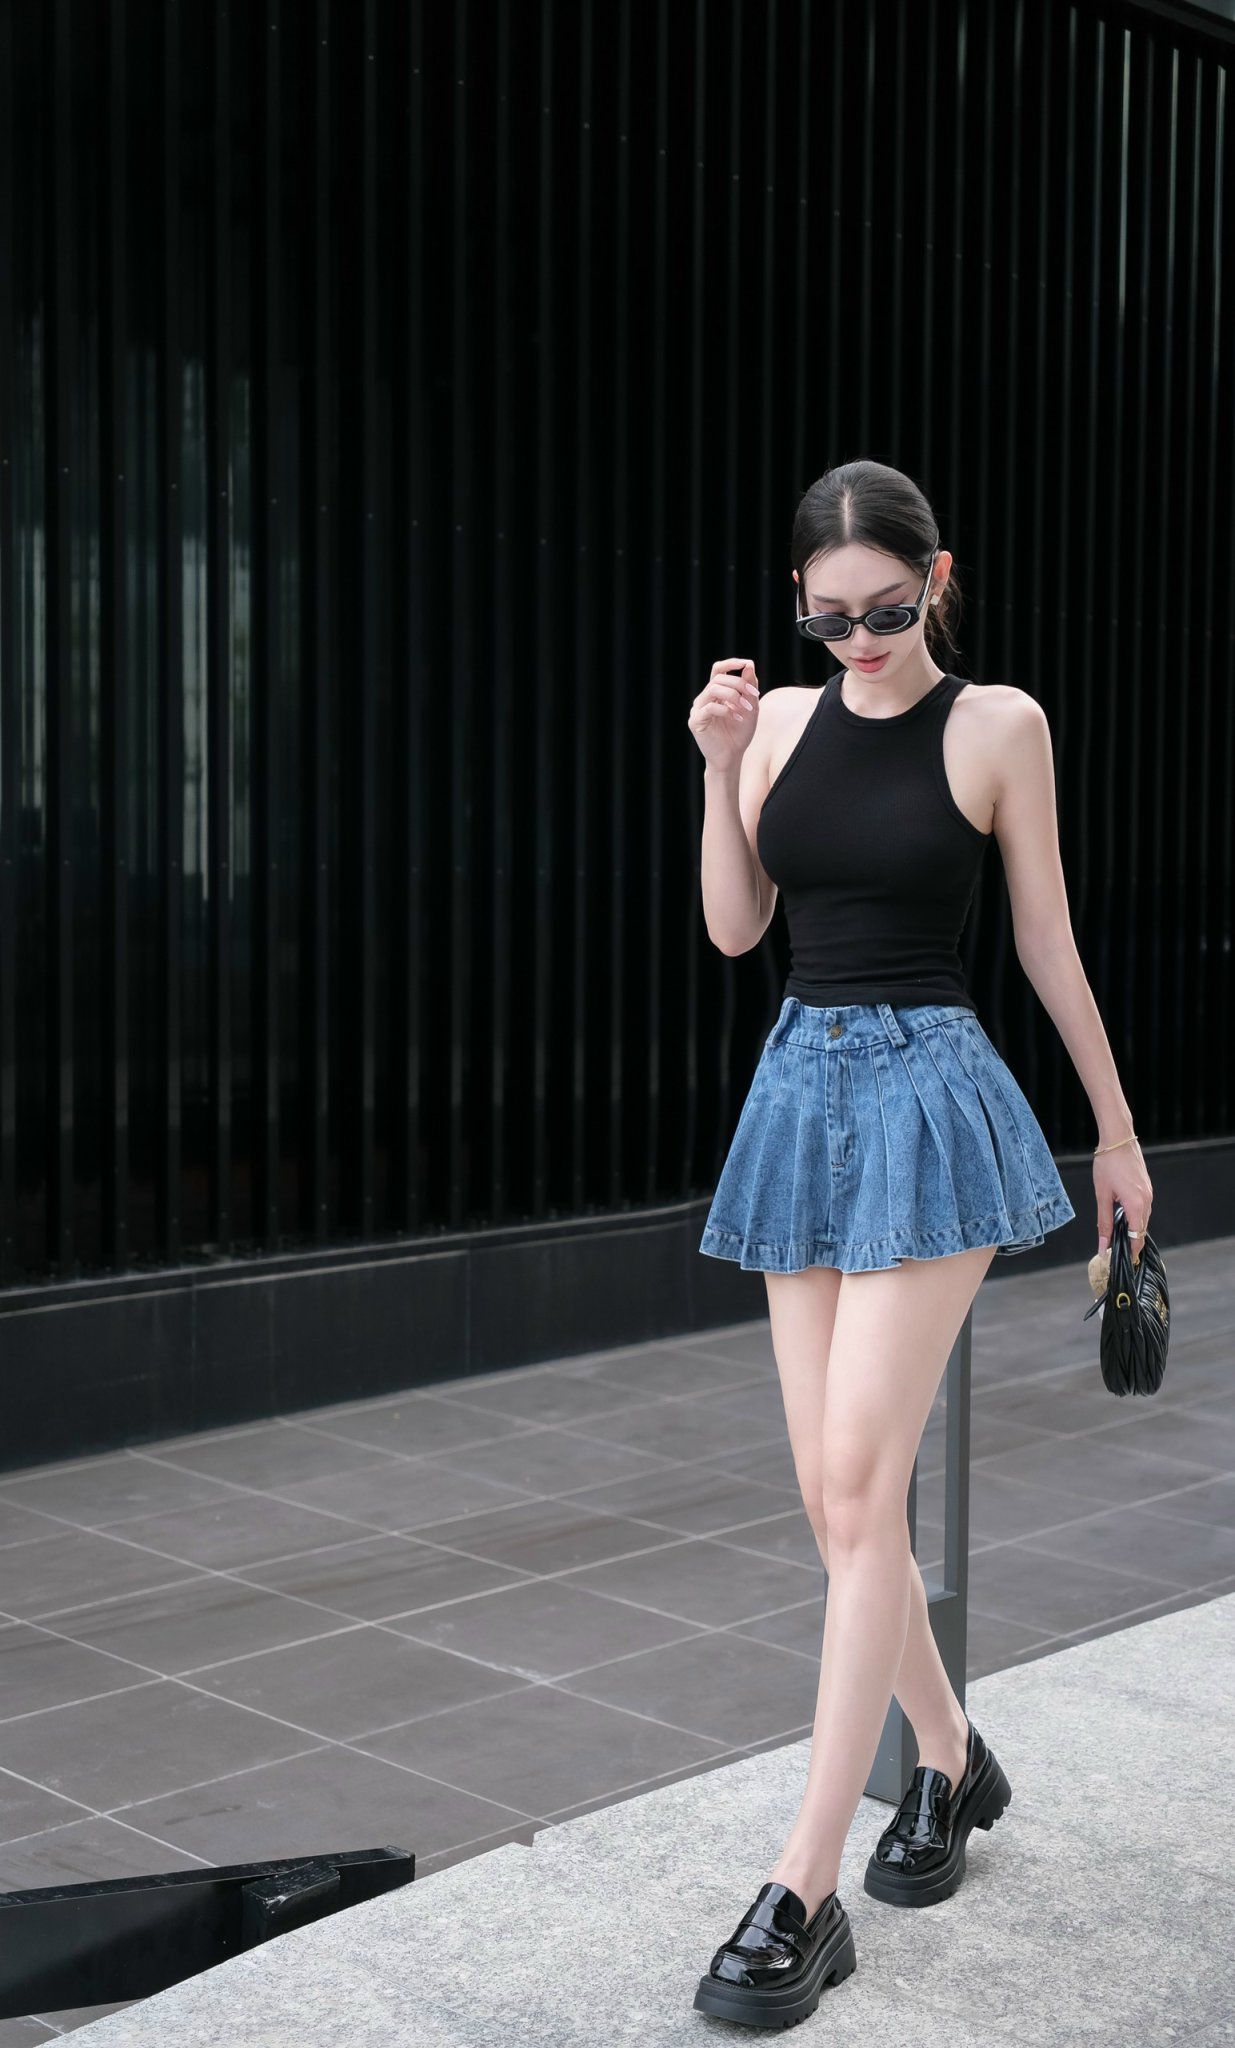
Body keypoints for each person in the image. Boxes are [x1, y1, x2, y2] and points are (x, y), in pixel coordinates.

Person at [685, 458, 1153, 2029]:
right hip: (798, 1093)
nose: (860, 642)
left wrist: (1118, 1135)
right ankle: (949, 1757)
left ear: (937, 580)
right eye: (828, 620)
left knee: (859, 1481)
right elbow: (737, 928)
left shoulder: (998, 725)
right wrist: (719, 768)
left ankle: (804, 1886)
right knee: (831, 1502)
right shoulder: (779, 724)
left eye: (885, 611)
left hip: (930, 1100)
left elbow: (1046, 939)